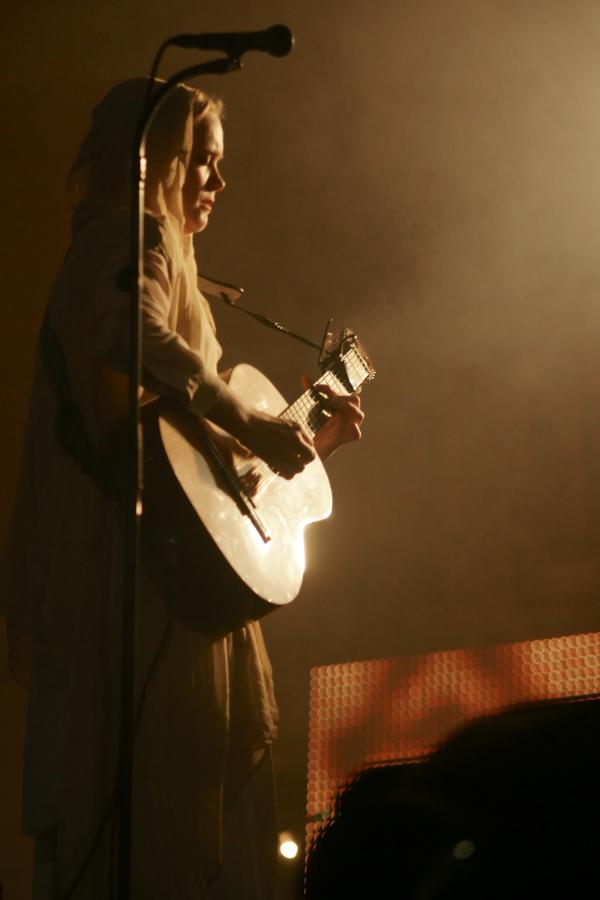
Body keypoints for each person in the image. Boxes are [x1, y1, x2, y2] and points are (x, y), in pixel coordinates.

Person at [1, 79, 363, 899]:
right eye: (200, 160)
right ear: (153, 160)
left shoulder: (162, 257)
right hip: (133, 585)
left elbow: (207, 488)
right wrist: (243, 410)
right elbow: (132, 334)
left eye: (218, 163)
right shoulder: (127, 239)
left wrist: (314, 446)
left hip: (172, 580)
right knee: (149, 816)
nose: (218, 181)